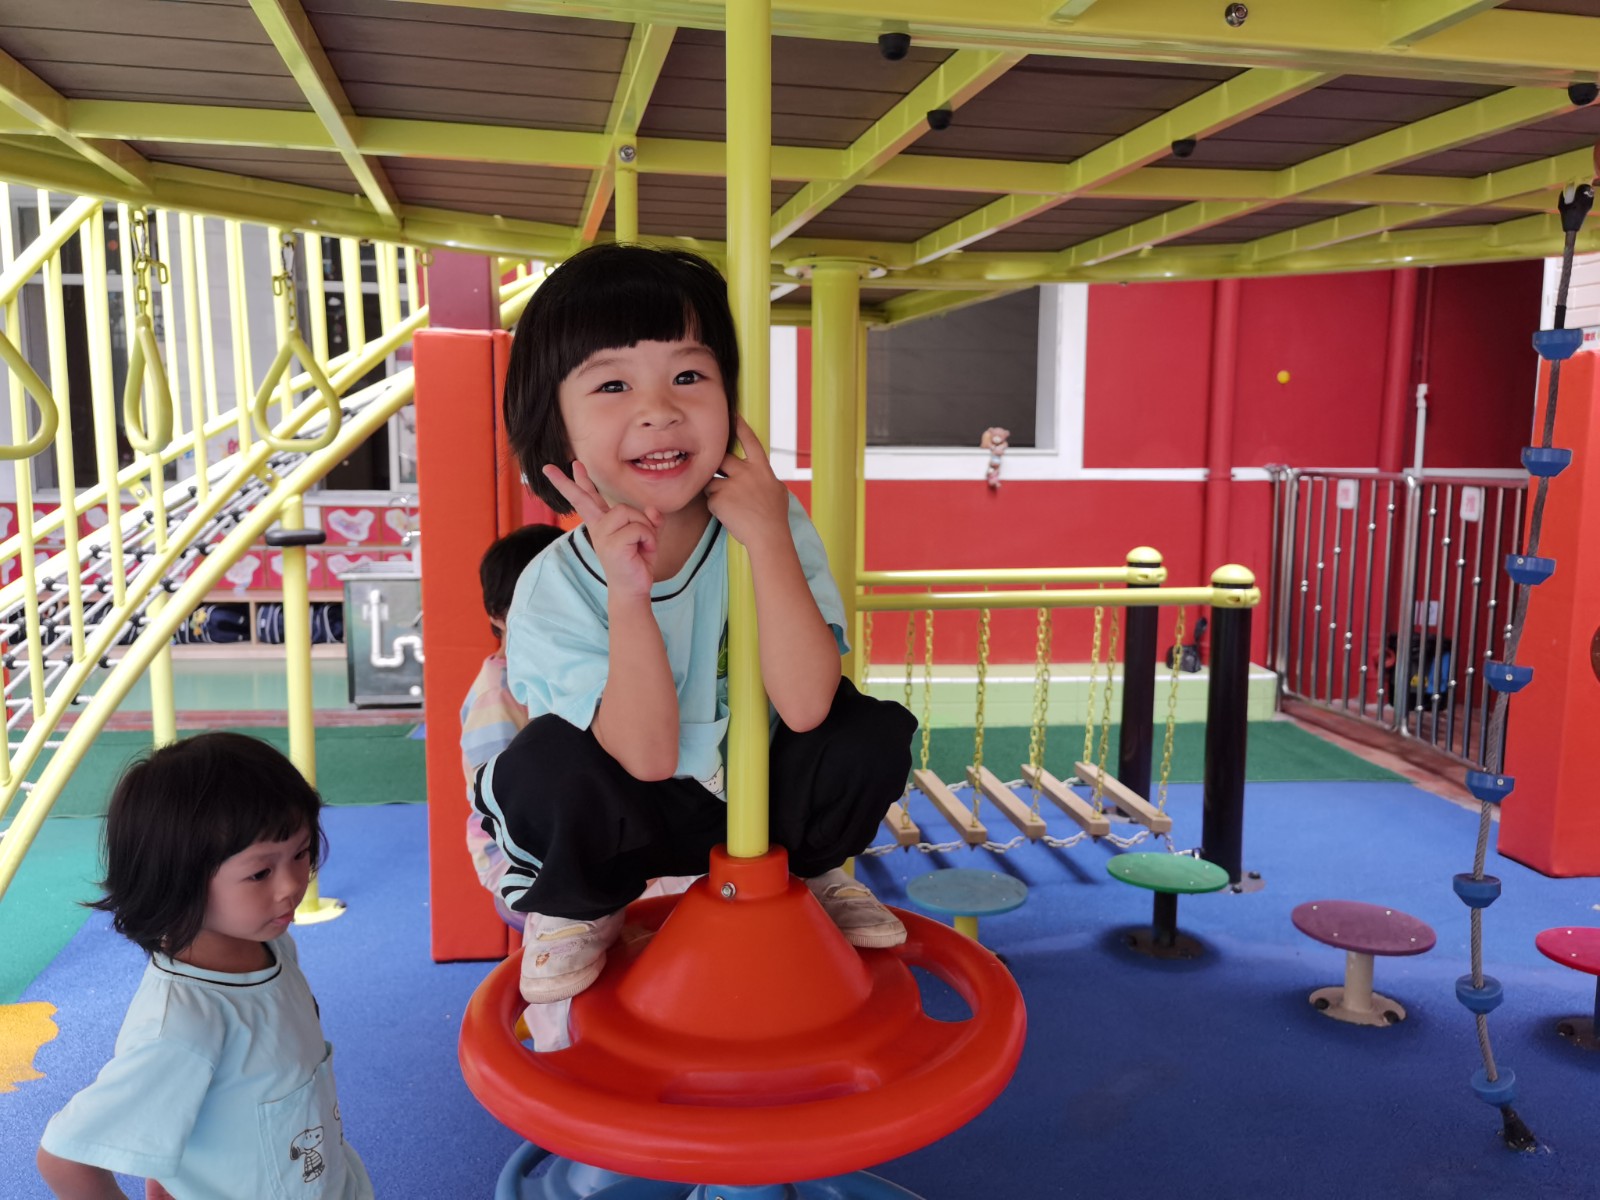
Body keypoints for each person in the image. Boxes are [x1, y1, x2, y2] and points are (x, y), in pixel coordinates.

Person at [476, 243, 917, 1005]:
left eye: (688, 375)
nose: (660, 410)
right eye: (613, 384)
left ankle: (812, 867)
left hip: (757, 798)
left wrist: (768, 539)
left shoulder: (769, 522)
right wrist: (629, 596)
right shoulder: (555, 583)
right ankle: (580, 905)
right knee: (544, 763)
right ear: (556, 422)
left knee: (868, 730)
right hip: (632, 809)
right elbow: (645, 757)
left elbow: (808, 705)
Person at [37, 733, 372, 1200]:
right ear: (178, 879)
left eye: (300, 853)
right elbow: (64, 1158)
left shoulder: (273, 946)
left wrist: (169, 1170)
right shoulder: (183, 1027)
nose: (293, 885)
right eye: (260, 872)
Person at [462, 523, 563, 928]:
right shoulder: (498, 693)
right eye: (532, 606)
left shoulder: (555, 671)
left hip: (552, 839)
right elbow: (504, 802)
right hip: (514, 858)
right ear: (497, 615)